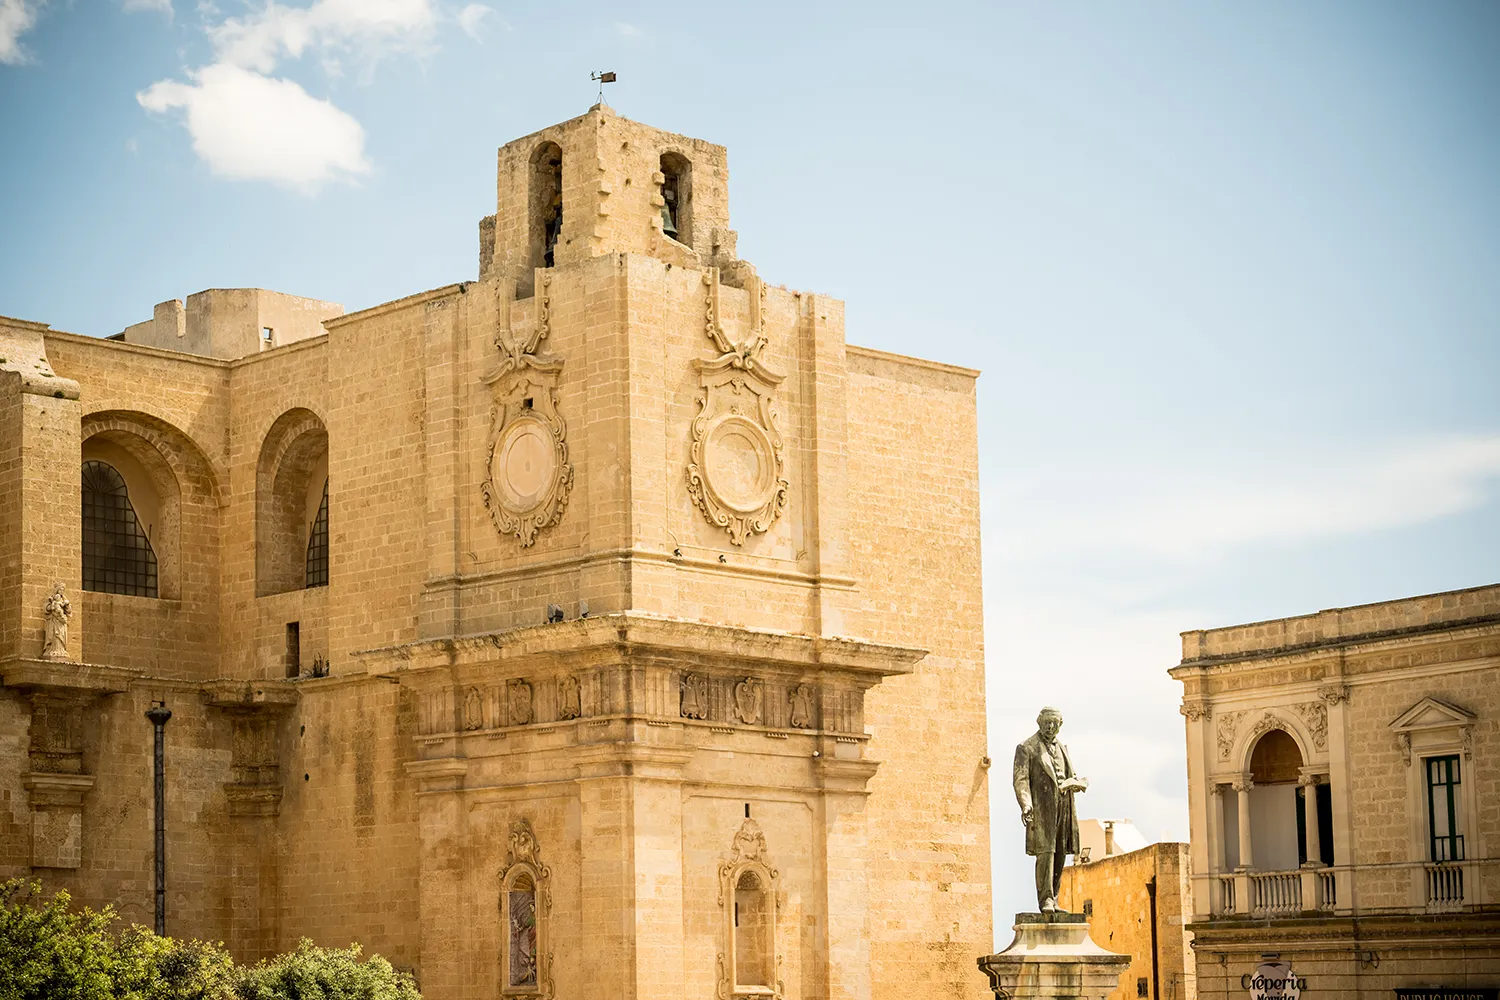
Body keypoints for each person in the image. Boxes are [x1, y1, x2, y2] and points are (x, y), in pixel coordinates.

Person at [1013, 706, 1088, 912]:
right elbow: (1021, 780)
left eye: (1054, 723)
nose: (1050, 727)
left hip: (1064, 806)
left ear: (1060, 725)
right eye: (1047, 723)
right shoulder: (1027, 747)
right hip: (1042, 808)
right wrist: (1026, 804)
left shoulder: (1063, 748)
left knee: (1061, 852)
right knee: (1046, 853)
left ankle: (1054, 898)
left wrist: (1077, 782)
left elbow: (1070, 773)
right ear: (1039, 722)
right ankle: (1045, 899)